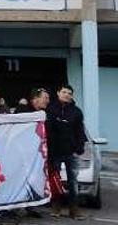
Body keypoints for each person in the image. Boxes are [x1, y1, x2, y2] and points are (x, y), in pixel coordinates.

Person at [46, 84, 88, 220]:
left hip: (71, 152)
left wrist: (79, 148)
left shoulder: (77, 112)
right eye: (64, 92)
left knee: (73, 182)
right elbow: (47, 130)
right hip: (55, 152)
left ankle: (74, 210)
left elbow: (80, 131)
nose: (67, 95)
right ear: (58, 93)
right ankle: (56, 207)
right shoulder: (50, 109)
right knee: (55, 180)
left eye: (69, 93)